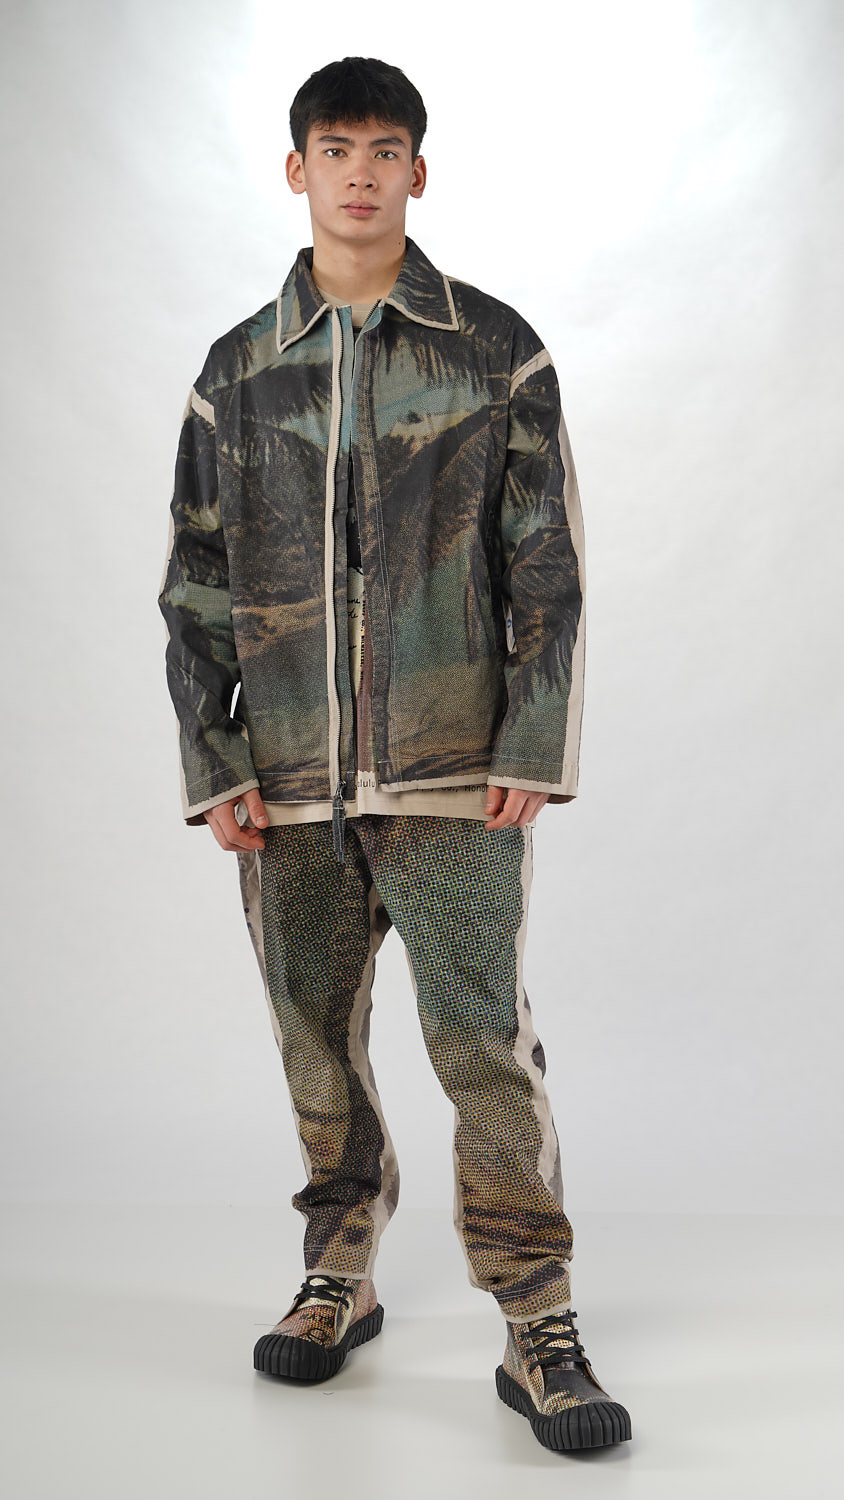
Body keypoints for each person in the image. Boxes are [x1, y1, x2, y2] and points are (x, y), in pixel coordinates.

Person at [157, 55, 632, 1453]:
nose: (359, 174)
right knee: (314, 1039)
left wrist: (531, 738)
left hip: (453, 770)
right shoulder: (238, 372)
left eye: (383, 151)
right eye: (335, 149)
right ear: (294, 168)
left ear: (418, 172)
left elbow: (547, 562)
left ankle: (537, 1317)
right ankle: (340, 1271)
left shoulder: (494, 352)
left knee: (482, 1045)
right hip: (288, 776)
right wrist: (217, 757)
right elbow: (195, 583)